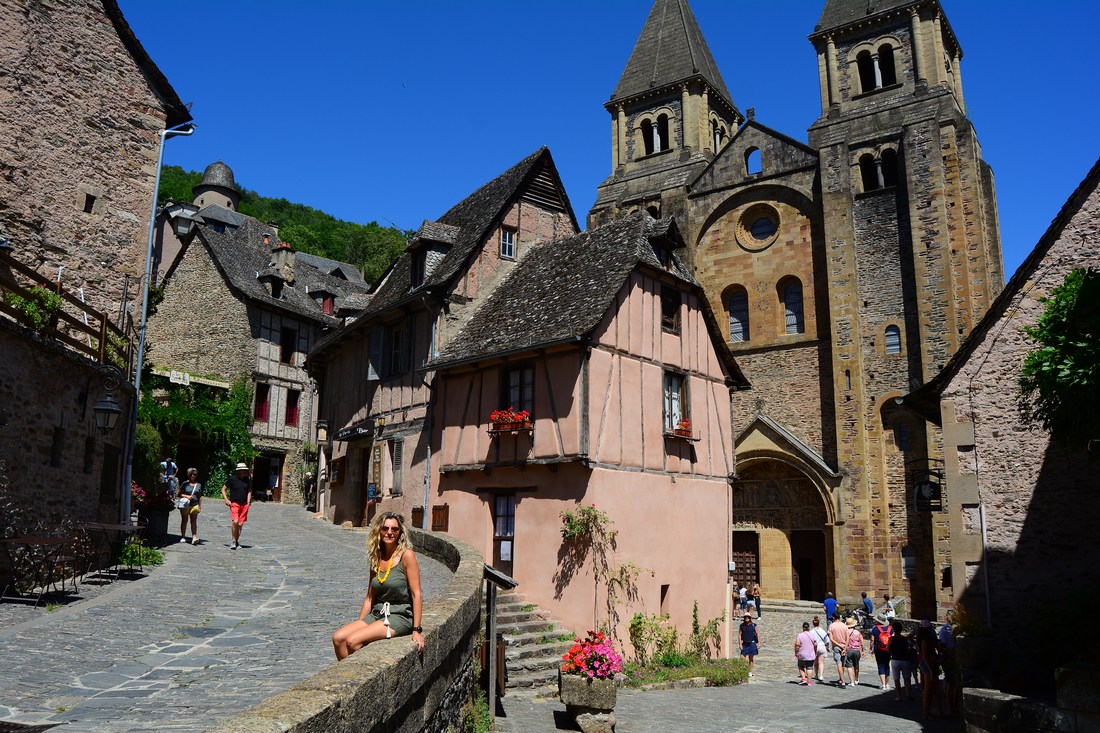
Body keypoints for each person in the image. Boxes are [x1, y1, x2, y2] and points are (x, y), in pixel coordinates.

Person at [332, 512, 425, 660]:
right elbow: (370, 597)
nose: (389, 533)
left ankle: (359, 679)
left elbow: (416, 594)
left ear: (400, 532)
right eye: (385, 528)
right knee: (338, 638)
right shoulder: (376, 557)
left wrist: (416, 630)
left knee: (352, 641)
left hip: (399, 616)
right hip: (378, 614)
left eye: (394, 529)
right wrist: (360, 622)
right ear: (379, 531)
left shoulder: (407, 555)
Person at [221, 462, 252, 550]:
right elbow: (223, 489)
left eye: (244, 470)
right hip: (235, 503)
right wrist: (226, 499)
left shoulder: (247, 480)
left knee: (240, 524)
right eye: (241, 470)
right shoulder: (232, 479)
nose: (243, 472)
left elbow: (249, 491)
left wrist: (248, 502)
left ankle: (236, 541)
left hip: (244, 504)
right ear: (238, 471)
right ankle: (233, 540)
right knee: (235, 521)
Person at [917, 619, 943, 718]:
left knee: (935, 688)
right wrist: (931, 670)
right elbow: (925, 656)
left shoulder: (929, 639)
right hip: (927, 664)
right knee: (928, 689)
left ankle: (937, 710)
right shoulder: (924, 640)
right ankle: (926, 712)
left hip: (931, 663)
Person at [939, 610, 958, 716]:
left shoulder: (947, 629)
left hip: (953, 658)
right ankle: (951, 706)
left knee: (953, 683)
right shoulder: (945, 629)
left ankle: (953, 705)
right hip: (949, 659)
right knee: (952, 683)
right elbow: (941, 647)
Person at [888, 619, 913, 700]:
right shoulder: (904, 639)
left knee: (896, 678)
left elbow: (888, 649)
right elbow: (908, 648)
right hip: (905, 659)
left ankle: (899, 695)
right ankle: (908, 694)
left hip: (895, 659)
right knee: (907, 678)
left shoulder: (891, 639)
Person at [177, 468, 203, 545]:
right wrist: (186, 496)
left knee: (193, 521)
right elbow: (179, 494)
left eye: (194, 474)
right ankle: (183, 536)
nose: (193, 476)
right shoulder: (185, 484)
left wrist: (199, 506)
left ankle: (194, 536)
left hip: (194, 504)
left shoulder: (198, 485)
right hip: (185, 505)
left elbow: (199, 496)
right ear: (188, 475)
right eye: (191, 474)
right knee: (184, 521)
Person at [871, 616, 894, 690]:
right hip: (888, 650)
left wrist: (871, 649)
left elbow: (872, 640)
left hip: (878, 649)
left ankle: (883, 685)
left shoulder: (875, 628)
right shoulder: (890, 628)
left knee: (880, 665)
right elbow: (892, 639)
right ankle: (887, 684)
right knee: (887, 665)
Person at [828, 613, 851, 687]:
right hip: (844, 646)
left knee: (839, 663)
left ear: (834, 618)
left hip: (837, 646)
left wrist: (838, 644)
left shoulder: (832, 626)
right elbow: (848, 638)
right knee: (843, 663)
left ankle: (843, 681)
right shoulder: (844, 626)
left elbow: (831, 639)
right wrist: (844, 647)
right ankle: (841, 678)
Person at [844, 615, 864, 686]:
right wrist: (863, 650)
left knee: (849, 666)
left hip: (849, 650)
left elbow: (845, 640)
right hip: (856, 650)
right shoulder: (857, 632)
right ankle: (856, 679)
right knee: (856, 665)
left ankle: (851, 681)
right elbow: (861, 641)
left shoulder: (846, 632)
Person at [739, 613, 760, 677]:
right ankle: (742, 671)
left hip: (752, 643)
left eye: (748, 617)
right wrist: (740, 644)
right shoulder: (742, 625)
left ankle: (749, 671)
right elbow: (739, 635)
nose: (747, 618)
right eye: (745, 617)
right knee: (742, 658)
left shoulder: (754, 625)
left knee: (751, 658)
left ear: (750, 618)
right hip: (745, 643)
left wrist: (759, 643)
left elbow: (758, 634)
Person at [810, 615, 829, 681]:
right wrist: (827, 646)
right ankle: (821, 675)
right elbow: (827, 640)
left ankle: (816, 674)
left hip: (814, 647)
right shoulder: (823, 631)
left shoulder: (811, 632)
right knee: (821, 662)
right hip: (822, 646)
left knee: (815, 662)